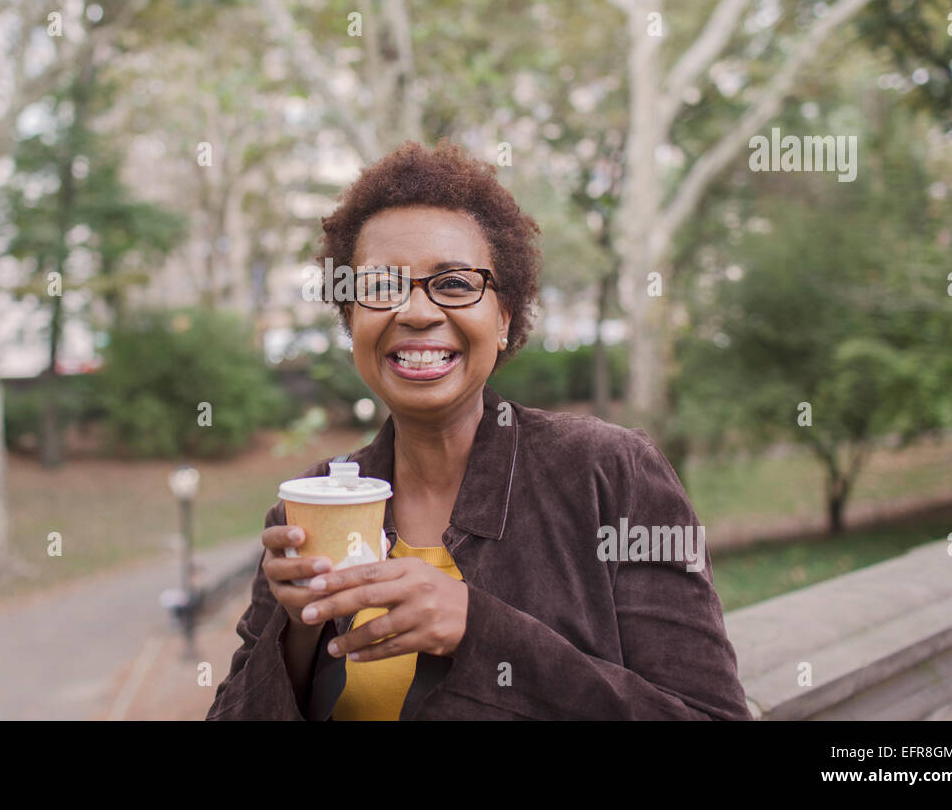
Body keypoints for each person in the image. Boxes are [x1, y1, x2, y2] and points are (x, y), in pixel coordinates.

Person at [207, 139, 751, 720]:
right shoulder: (309, 507)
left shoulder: (609, 476)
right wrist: (296, 633)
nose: (416, 312)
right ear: (352, 320)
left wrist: (478, 629)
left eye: (456, 283)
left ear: (504, 319)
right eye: (382, 287)